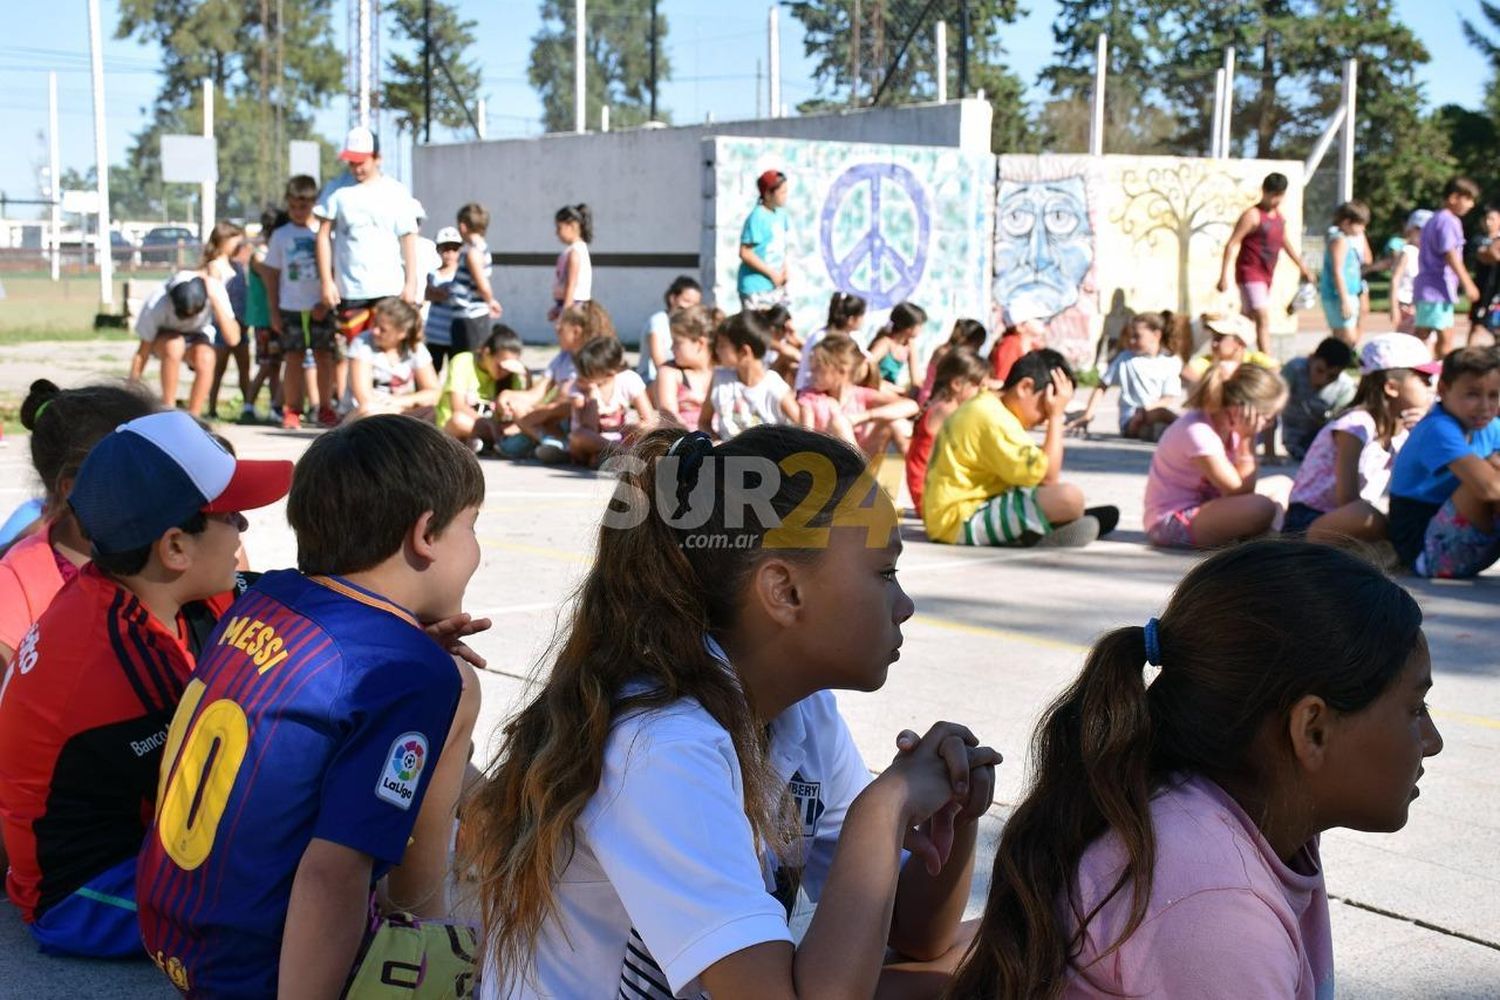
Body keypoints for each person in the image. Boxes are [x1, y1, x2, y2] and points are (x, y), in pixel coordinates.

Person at [465, 424, 999, 999]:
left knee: (1004, 958)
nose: (905, 605)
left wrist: (956, 809)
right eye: (884, 573)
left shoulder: (800, 711)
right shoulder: (662, 747)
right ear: (784, 592)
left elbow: (917, 935)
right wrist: (884, 807)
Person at [949, 539, 1443, 998]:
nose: (1432, 742)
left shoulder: (1231, 819)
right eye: (1415, 708)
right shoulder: (1217, 906)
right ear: (1312, 729)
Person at [137, 416, 484, 998]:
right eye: (472, 528)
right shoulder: (406, 674)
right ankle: (420, 935)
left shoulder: (264, 595)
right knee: (454, 687)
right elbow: (332, 873)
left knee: (452, 686)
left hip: (172, 931)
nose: (478, 551)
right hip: (253, 972)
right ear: (426, 534)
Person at [0, 410, 290, 958]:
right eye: (231, 514)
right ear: (175, 547)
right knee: (297, 897)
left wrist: (393, 623)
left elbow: (285, 599)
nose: (245, 528)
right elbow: (213, 805)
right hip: (82, 893)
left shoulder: (148, 588)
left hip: (140, 836)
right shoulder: (118, 663)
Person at [0, 380, 157, 671]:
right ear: (75, 491)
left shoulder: (181, 549)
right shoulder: (15, 589)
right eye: (141, 473)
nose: (164, 485)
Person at [923, 349, 1117, 548]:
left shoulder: (987, 406)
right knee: (1070, 498)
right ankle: (1041, 532)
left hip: (951, 516)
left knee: (1065, 501)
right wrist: (1056, 417)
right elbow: (1048, 477)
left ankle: (1050, 521)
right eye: (1046, 406)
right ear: (1025, 387)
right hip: (960, 522)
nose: (1044, 416)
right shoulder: (992, 417)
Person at [1284, 334, 1439, 543]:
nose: (1432, 387)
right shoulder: (1356, 425)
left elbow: (1421, 481)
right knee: (1367, 517)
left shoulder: (1402, 431)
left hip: (1346, 518)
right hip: (1309, 521)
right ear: (1391, 387)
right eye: (1424, 379)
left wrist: (1422, 435)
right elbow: (1348, 499)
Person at [315, 126, 422, 426]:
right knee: (355, 353)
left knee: (393, 352)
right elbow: (323, 236)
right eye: (351, 161)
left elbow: (409, 236)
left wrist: (411, 283)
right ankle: (357, 413)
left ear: (378, 157)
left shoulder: (396, 192)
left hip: (389, 288)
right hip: (351, 288)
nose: (356, 167)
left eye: (362, 160)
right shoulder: (337, 190)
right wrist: (327, 280)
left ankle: (393, 414)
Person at [1143, 363, 1288, 549]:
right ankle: (1264, 543)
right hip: (1171, 522)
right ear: (1242, 410)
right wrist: (1247, 440)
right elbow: (1240, 492)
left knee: (1283, 484)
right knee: (1261, 508)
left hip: (1209, 508)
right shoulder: (1198, 432)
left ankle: (1269, 539)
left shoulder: (1229, 426)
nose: (1270, 424)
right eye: (1267, 417)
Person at [1387, 346, 1500, 578]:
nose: (1485, 406)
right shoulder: (1438, 428)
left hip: (1467, 544)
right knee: (1487, 481)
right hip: (1426, 551)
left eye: (1494, 395)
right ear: (1443, 389)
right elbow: (1490, 489)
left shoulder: (1489, 426)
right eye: (1472, 394)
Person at [130, 227, 244, 417]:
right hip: (166, 337)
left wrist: (215, 301)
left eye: (194, 314)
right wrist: (129, 396)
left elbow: (233, 339)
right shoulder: (157, 303)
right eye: (184, 315)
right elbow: (141, 354)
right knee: (175, 345)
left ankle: (194, 416)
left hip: (197, 336)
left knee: (207, 356)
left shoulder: (213, 289)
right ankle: (168, 410)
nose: (189, 318)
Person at [264, 175, 336, 430]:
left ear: (315, 203)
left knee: (324, 357)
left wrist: (326, 304)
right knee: (293, 359)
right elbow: (271, 275)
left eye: (303, 207)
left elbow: (334, 269)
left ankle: (325, 407)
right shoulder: (281, 235)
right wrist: (273, 310)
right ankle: (292, 409)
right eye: (293, 206)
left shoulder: (325, 232)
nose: (297, 212)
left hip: (320, 306)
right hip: (290, 307)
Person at [502, 302, 616, 461]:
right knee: (513, 426)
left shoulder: (594, 362)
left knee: (514, 444)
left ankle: (555, 444)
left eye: (561, 327)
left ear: (576, 331)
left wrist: (548, 411)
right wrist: (508, 396)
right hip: (553, 420)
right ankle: (553, 443)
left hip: (581, 422)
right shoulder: (562, 358)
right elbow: (537, 393)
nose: (556, 329)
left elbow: (594, 403)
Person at [1218, 172, 1316, 354]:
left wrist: (1302, 267)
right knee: (1262, 317)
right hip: (1250, 273)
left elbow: (1284, 242)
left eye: (1279, 195)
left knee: (1246, 319)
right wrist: (1223, 276)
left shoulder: (1279, 217)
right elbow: (1232, 243)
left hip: (1266, 275)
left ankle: (1236, 354)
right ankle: (1267, 361)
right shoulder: (1252, 216)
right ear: (1264, 191)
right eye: (1272, 195)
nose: (1275, 200)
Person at [797, 333, 919, 457]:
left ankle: (917, 472)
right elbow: (806, 440)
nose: (811, 372)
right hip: (827, 462)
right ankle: (860, 469)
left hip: (861, 462)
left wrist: (862, 417)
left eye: (818, 367)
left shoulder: (859, 395)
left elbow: (912, 406)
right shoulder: (811, 397)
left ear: (841, 370)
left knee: (895, 422)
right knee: (839, 423)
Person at [1069, 311, 1184, 441]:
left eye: (1137, 336)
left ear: (1156, 335)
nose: (1131, 340)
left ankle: (1177, 429)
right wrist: (1087, 416)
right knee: (1142, 421)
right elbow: (1102, 386)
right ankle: (1173, 431)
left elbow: (1167, 398)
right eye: (1130, 336)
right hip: (1130, 419)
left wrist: (1147, 409)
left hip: (1153, 412)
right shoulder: (1125, 359)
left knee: (1159, 416)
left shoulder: (1170, 362)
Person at [906, 347, 987, 519]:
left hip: (927, 491)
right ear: (957, 384)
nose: (981, 391)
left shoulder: (941, 402)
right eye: (976, 385)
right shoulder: (948, 410)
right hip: (930, 498)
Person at [700, 310, 799, 440]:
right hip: (727, 457)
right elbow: (704, 422)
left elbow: (803, 428)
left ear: (744, 351)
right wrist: (715, 442)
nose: (717, 350)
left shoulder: (774, 387)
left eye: (722, 345)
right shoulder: (720, 378)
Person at [1414, 177, 1483, 359]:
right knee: (1444, 339)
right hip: (1438, 288)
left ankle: (1421, 372)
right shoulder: (1449, 221)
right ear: (1454, 197)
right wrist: (1467, 283)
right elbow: (1450, 253)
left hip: (1428, 287)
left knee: (1423, 334)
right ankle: (1445, 377)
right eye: (1468, 199)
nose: (1471, 204)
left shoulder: (1433, 219)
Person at [436, 323, 529, 451]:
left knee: (520, 425)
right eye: (501, 366)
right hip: (460, 424)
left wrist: (526, 377)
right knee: (458, 420)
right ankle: (490, 442)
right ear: (486, 352)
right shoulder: (463, 361)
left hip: (495, 427)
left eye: (508, 368)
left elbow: (524, 409)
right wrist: (489, 424)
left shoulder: (511, 374)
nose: (504, 372)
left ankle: (481, 442)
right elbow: (458, 406)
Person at [346, 297, 440, 422]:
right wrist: (399, 409)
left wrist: (401, 401)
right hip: (365, 416)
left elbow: (434, 392)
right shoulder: (362, 343)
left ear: (402, 333)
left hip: (401, 411)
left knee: (434, 411)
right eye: (374, 324)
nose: (374, 331)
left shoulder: (415, 348)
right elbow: (364, 398)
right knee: (368, 410)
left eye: (382, 329)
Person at [567, 335, 655, 466]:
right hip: (589, 442)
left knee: (645, 428)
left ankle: (605, 458)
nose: (581, 374)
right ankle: (621, 454)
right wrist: (592, 394)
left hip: (620, 438)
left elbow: (649, 419)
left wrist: (630, 428)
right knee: (578, 435)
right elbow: (589, 426)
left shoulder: (628, 380)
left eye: (587, 371)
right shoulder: (580, 386)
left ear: (609, 373)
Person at [445, 202, 504, 368]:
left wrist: (490, 300)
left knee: (466, 362)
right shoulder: (481, 249)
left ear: (463, 227)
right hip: (468, 317)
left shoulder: (473, 253)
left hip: (469, 317)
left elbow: (482, 284)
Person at [1278, 337, 1357, 460]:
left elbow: (1342, 425)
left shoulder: (1345, 387)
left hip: (1323, 439)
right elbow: (1270, 407)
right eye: (1319, 371)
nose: (1323, 380)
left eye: (1332, 376)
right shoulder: (1294, 369)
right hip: (1294, 439)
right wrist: (1269, 452)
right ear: (1311, 358)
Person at [209, 234, 258, 422]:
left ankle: (248, 407)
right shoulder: (220, 268)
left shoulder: (240, 269)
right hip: (223, 326)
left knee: (244, 370)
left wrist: (245, 322)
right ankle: (212, 407)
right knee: (218, 370)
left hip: (242, 327)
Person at [1179, 312, 1278, 395]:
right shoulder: (1209, 362)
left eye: (1220, 338)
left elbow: (1275, 370)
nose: (1214, 343)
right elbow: (1187, 372)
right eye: (1214, 337)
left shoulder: (1254, 360)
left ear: (1240, 343)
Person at [652, 303, 716, 430]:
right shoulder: (669, 372)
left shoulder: (721, 371)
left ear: (700, 343)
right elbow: (669, 417)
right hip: (685, 440)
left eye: (677, 342)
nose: (671, 348)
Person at [1317, 200, 1371, 346]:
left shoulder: (1346, 240)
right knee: (1346, 339)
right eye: (1360, 224)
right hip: (1338, 296)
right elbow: (1337, 271)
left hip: (1347, 294)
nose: (1363, 229)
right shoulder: (1339, 240)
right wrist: (1344, 299)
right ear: (1347, 222)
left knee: (1345, 339)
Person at [737, 168, 791, 309]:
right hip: (757, 286)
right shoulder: (757, 217)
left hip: (776, 285)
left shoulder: (781, 214)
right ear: (768, 194)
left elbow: (780, 247)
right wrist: (772, 274)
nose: (786, 196)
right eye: (782, 192)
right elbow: (745, 253)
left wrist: (785, 270)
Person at [795, 291, 868, 391]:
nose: (863, 321)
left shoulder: (855, 338)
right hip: (811, 392)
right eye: (862, 316)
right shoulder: (823, 338)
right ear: (851, 319)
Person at [637, 274, 702, 383]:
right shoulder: (658, 321)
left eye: (695, 304)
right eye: (687, 301)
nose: (690, 307)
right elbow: (659, 362)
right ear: (673, 298)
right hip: (652, 380)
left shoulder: (692, 325)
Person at [424, 225, 464, 374]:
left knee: (456, 373)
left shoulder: (461, 274)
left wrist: (439, 293)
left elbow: (454, 294)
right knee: (433, 371)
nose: (450, 253)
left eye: (454, 248)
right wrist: (444, 293)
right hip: (435, 334)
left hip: (454, 333)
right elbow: (428, 294)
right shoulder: (433, 274)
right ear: (438, 250)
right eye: (445, 248)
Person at [866, 301, 929, 396]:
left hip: (891, 388)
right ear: (908, 328)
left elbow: (915, 380)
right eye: (919, 325)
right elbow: (867, 364)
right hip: (875, 386)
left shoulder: (909, 345)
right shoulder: (886, 343)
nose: (922, 329)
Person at [918, 318, 987, 405]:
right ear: (970, 342)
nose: (977, 351)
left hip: (927, 396)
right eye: (978, 346)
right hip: (932, 400)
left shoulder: (943, 349)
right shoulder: (953, 358)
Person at [548, 203, 593, 323]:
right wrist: (558, 307)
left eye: (559, 228)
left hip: (574, 306)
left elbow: (571, 284)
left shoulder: (575, 252)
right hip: (569, 304)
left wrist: (566, 311)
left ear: (571, 226)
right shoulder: (573, 250)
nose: (556, 233)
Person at [1388, 210, 1431, 336]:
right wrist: (1394, 307)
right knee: (1406, 341)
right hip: (1405, 305)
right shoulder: (1408, 251)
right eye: (1419, 229)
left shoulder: (1426, 254)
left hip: (1419, 305)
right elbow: (1395, 279)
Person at [988, 302, 1049, 385]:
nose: (1045, 322)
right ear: (1020, 326)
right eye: (1038, 318)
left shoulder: (1033, 347)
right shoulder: (1010, 345)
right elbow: (1000, 381)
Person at [1467, 204, 1500, 347]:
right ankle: (1467, 358)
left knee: (1497, 328)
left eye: (1492, 219)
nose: (1488, 222)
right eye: (1486, 219)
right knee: (1476, 325)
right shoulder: (1478, 239)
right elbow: (1488, 256)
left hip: (1498, 291)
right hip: (1482, 289)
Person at [758, 302, 805, 383]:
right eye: (785, 329)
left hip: (775, 375)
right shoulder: (764, 337)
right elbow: (792, 354)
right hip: (763, 377)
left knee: (792, 365)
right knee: (787, 359)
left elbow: (807, 347)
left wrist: (794, 335)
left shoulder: (784, 339)